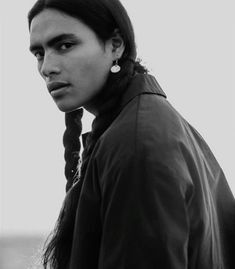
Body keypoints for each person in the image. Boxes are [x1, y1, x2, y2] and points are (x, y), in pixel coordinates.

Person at [28, 0, 235, 268]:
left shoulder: (137, 143)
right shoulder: (151, 126)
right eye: (38, 53)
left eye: (65, 45)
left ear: (116, 45)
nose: (47, 67)